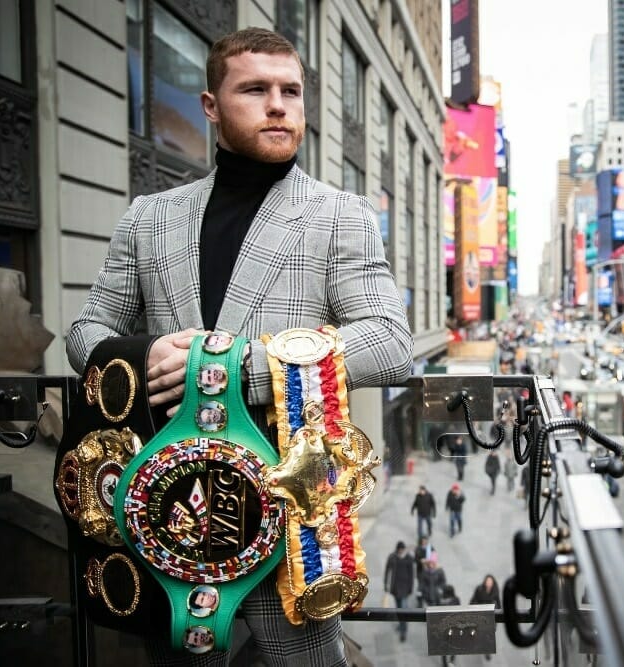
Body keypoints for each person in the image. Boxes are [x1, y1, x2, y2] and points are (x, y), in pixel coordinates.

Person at [64, 27, 413, 666]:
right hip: (170, 515)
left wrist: (230, 365)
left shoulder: (341, 214)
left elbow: (390, 343)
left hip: (292, 526)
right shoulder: (148, 217)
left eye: (291, 91)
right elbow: (85, 335)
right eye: (255, 89)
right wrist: (146, 357)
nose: (279, 105)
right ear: (210, 104)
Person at [383, 541, 416, 642]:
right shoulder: (392, 557)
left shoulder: (409, 558)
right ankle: (401, 625)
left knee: (403, 609)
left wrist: (411, 588)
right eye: (399, 549)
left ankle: (403, 631)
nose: (401, 551)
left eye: (402, 549)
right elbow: (387, 571)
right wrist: (385, 584)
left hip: (405, 589)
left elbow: (412, 575)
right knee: (398, 608)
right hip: (395, 588)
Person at [469, 575, 501, 662]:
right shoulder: (479, 589)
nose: (489, 583)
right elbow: (472, 601)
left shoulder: (495, 591)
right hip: (481, 616)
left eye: (490, 582)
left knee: (489, 635)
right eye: (487, 581)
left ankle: (487, 651)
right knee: (481, 633)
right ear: (485, 582)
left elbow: (499, 603)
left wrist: (499, 615)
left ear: (493, 583)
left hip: (491, 618)